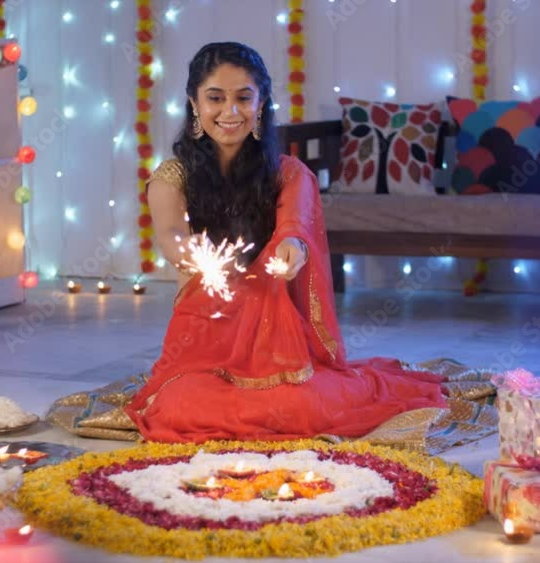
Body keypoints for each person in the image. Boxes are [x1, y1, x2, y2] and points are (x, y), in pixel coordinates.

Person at [48, 42, 497, 451]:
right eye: (215, 97)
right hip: (204, 341)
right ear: (194, 104)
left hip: (280, 346)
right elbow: (171, 237)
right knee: (180, 408)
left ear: (261, 105)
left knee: (303, 408)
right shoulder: (172, 175)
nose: (230, 111)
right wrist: (199, 261)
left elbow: (294, 229)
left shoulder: (290, 173)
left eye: (244, 97)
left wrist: (289, 256)